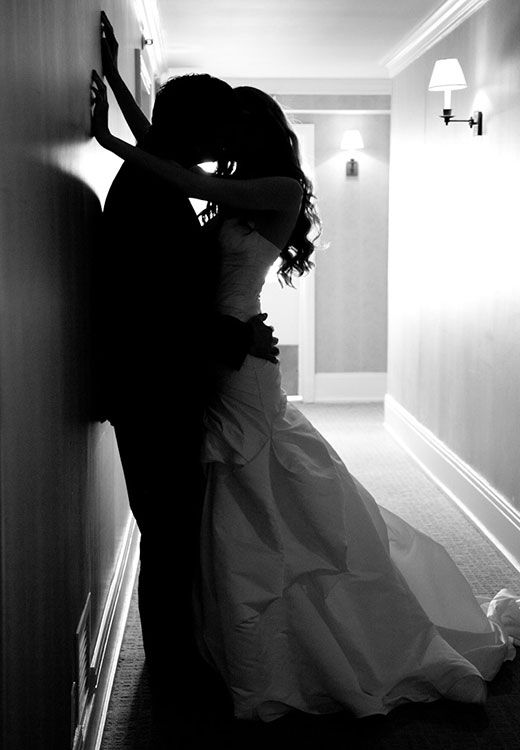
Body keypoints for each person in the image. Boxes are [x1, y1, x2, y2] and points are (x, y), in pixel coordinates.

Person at [91, 34, 520, 725]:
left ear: (261, 131)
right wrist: (124, 95)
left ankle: (360, 640)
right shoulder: (228, 185)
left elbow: (185, 175)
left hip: (239, 365)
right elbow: (174, 154)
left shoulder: (281, 187)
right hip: (214, 356)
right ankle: (237, 640)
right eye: (220, 130)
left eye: (237, 128)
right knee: (234, 499)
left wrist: (107, 137)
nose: (225, 139)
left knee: (268, 486)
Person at [92, 13, 279, 739]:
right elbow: (162, 308)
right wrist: (239, 334)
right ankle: (174, 672)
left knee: (172, 530)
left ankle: (177, 657)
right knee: (169, 535)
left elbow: (154, 146)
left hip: (158, 386)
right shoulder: (150, 198)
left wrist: (114, 79)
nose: (225, 148)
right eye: (217, 135)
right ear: (195, 135)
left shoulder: (154, 180)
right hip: (153, 391)